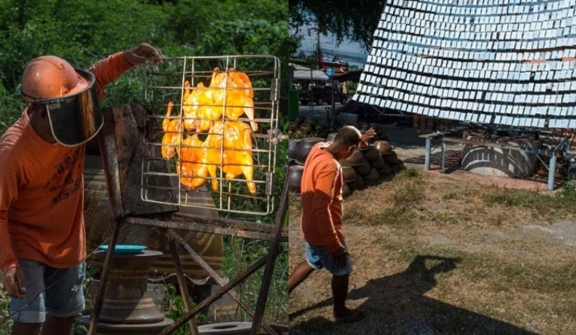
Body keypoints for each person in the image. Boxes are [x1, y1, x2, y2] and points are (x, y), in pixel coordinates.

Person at [0, 43, 164, 335]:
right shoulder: (13, 154)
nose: (75, 112)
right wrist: (8, 262)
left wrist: (128, 58)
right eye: (68, 107)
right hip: (28, 243)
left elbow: (97, 77)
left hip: (68, 241)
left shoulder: (71, 111)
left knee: (64, 316)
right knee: (30, 321)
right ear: (40, 111)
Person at [288, 125, 376, 323]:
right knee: (342, 270)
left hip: (309, 226)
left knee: (312, 262)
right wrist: (334, 245)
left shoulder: (318, 148)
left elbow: (340, 143)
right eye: (353, 150)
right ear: (350, 150)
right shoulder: (330, 167)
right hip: (323, 232)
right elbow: (322, 209)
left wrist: (358, 142)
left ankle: (282, 289)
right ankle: (340, 311)